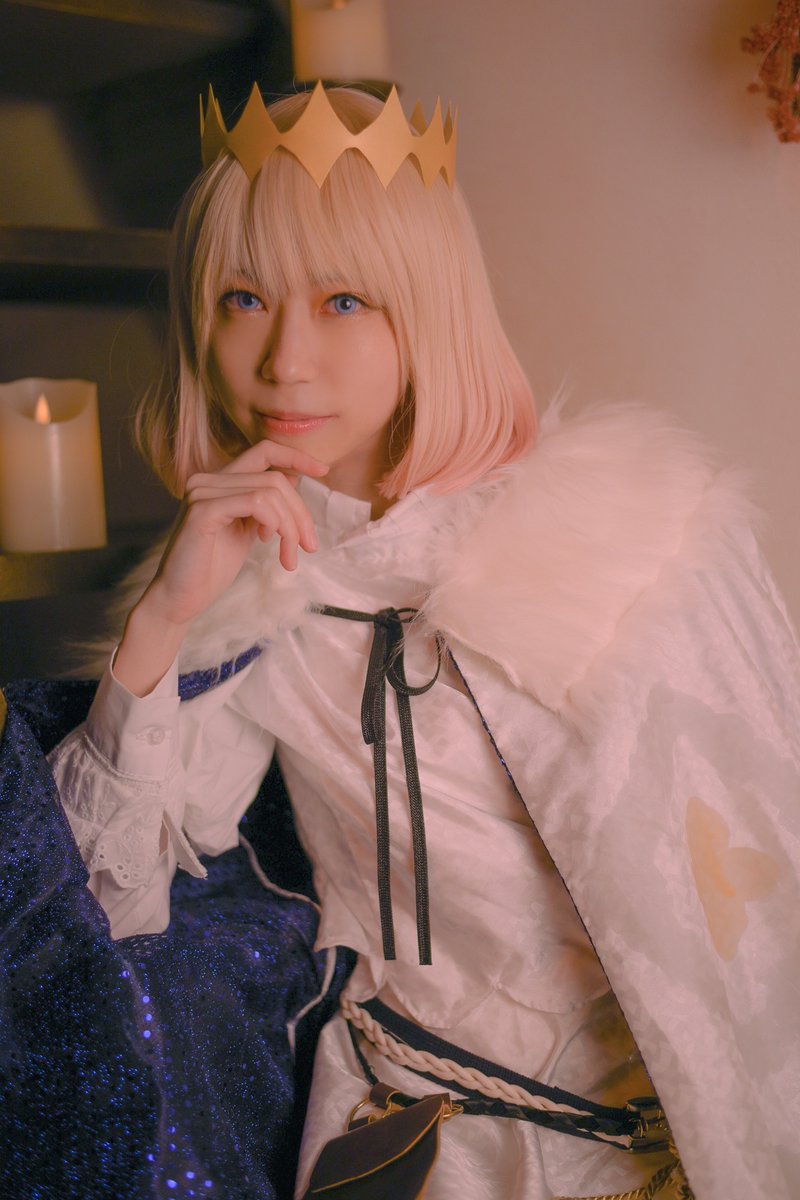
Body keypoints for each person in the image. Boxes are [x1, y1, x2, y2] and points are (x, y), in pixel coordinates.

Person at [20, 83, 800, 1200]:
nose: (285, 359)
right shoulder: (250, 586)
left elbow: (748, 939)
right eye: (243, 298)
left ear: (429, 308)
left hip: (636, 1153)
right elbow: (106, 903)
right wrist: (163, 620)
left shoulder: (631, 550)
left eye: (344, 300)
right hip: (398, 1139)